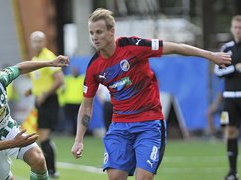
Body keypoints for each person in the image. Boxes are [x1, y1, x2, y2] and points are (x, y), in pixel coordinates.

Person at [71, 8, 231, 180]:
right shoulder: (94, 67)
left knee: (144, 178)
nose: (94, 37)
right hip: (120, 126)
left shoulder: (133, 46)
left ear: (112, 32)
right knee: (115, 176)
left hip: (149, 124)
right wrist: (79, 139)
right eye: (91, 33)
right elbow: (86, 105)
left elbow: (175, 48)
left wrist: (210, 55)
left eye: (99, 32)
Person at [0, 55, 69, 180]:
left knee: (38, 160)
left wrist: (50, 63)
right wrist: (13, 143)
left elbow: (20, 68)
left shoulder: (2, 79)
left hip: (6, 129)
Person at [25, 31, 63, 178]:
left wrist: (45, 94)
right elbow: (40, 82)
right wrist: (31, 90)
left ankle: (52, 170)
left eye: (40, 40)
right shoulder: (36, 59)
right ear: (30, 43)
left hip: (49, 101)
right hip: (40, 101)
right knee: (42, 137)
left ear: (45, 42)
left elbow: (59, 80)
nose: (37, 43)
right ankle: (50, 169)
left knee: (44, 137)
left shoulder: (49, 57)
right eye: (35, 40)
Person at [214, 15, 241, 180]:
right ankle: (232, 172)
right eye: (236, 27)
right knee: (230, 132)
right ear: (232, 29)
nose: (238, 30)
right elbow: (217, 72)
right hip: (230, 98)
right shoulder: (226, 49)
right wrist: (234, 70)